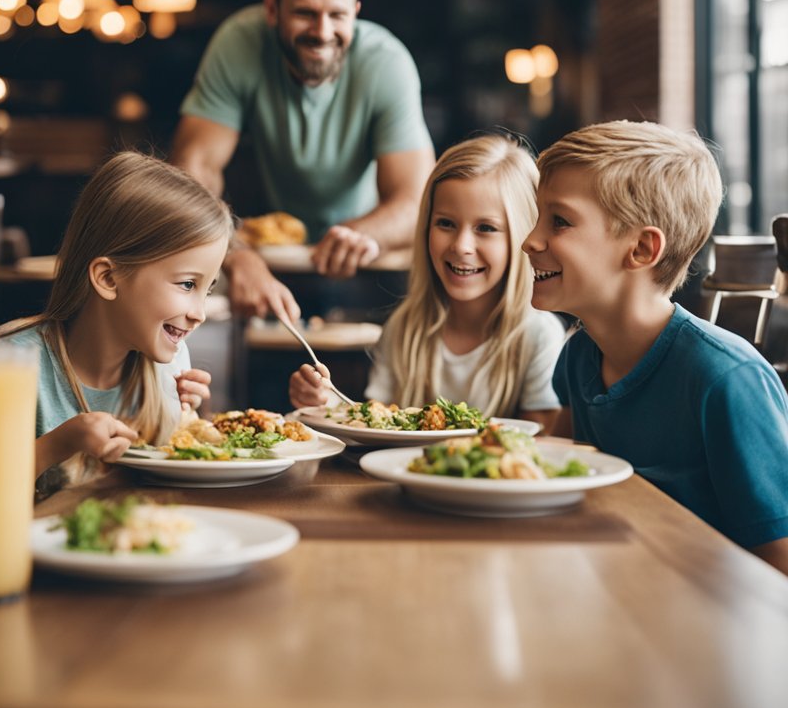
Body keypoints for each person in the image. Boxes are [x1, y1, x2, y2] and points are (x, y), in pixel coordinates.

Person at [521, 120, 788, 575]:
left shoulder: (725, 379)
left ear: (642, 249)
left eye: (559, 221)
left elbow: (779, 561)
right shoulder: (578, 357)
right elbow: (560, 473)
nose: (530, 240)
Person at [171, 0, 435, 321]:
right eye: (306, 13)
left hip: (365, 253)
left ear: (356, 12)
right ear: (273, 9)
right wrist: (235, 254)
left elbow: (415, 200)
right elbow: (192, 171)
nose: (322, 31)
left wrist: (363, 234)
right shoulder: (238, 43)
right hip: (265, 252)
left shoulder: (387, 62)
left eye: (338, 15)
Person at [290, 133, 565, 429]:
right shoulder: (405, 327)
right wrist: (325, 401)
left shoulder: (539, 335)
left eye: (486, 228)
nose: (461, 246)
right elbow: (376, 421)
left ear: (523, 235)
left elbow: (540, 441)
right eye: (445, 223)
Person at [0, 151, 232, 489]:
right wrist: (59, 444)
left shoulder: (169, 364)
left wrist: (188, 421)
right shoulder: (12, 366)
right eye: (187, 284)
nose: (200, 313)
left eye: (206, 290)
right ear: (108, 278)